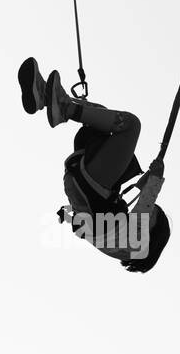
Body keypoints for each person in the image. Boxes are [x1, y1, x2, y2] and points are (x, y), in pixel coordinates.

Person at [18, 57, 171, 272]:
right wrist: (68, 213)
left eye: (152, 214)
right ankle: (44, 95)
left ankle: (63, 107)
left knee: (130, 126)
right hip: (79, 182)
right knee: (100, 118)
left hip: (93, 186)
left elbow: (142, 208)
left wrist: (155, 180)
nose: (146, 210)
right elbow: (86, 226)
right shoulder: (113, 242)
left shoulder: (138, 246)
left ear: (154, 232)